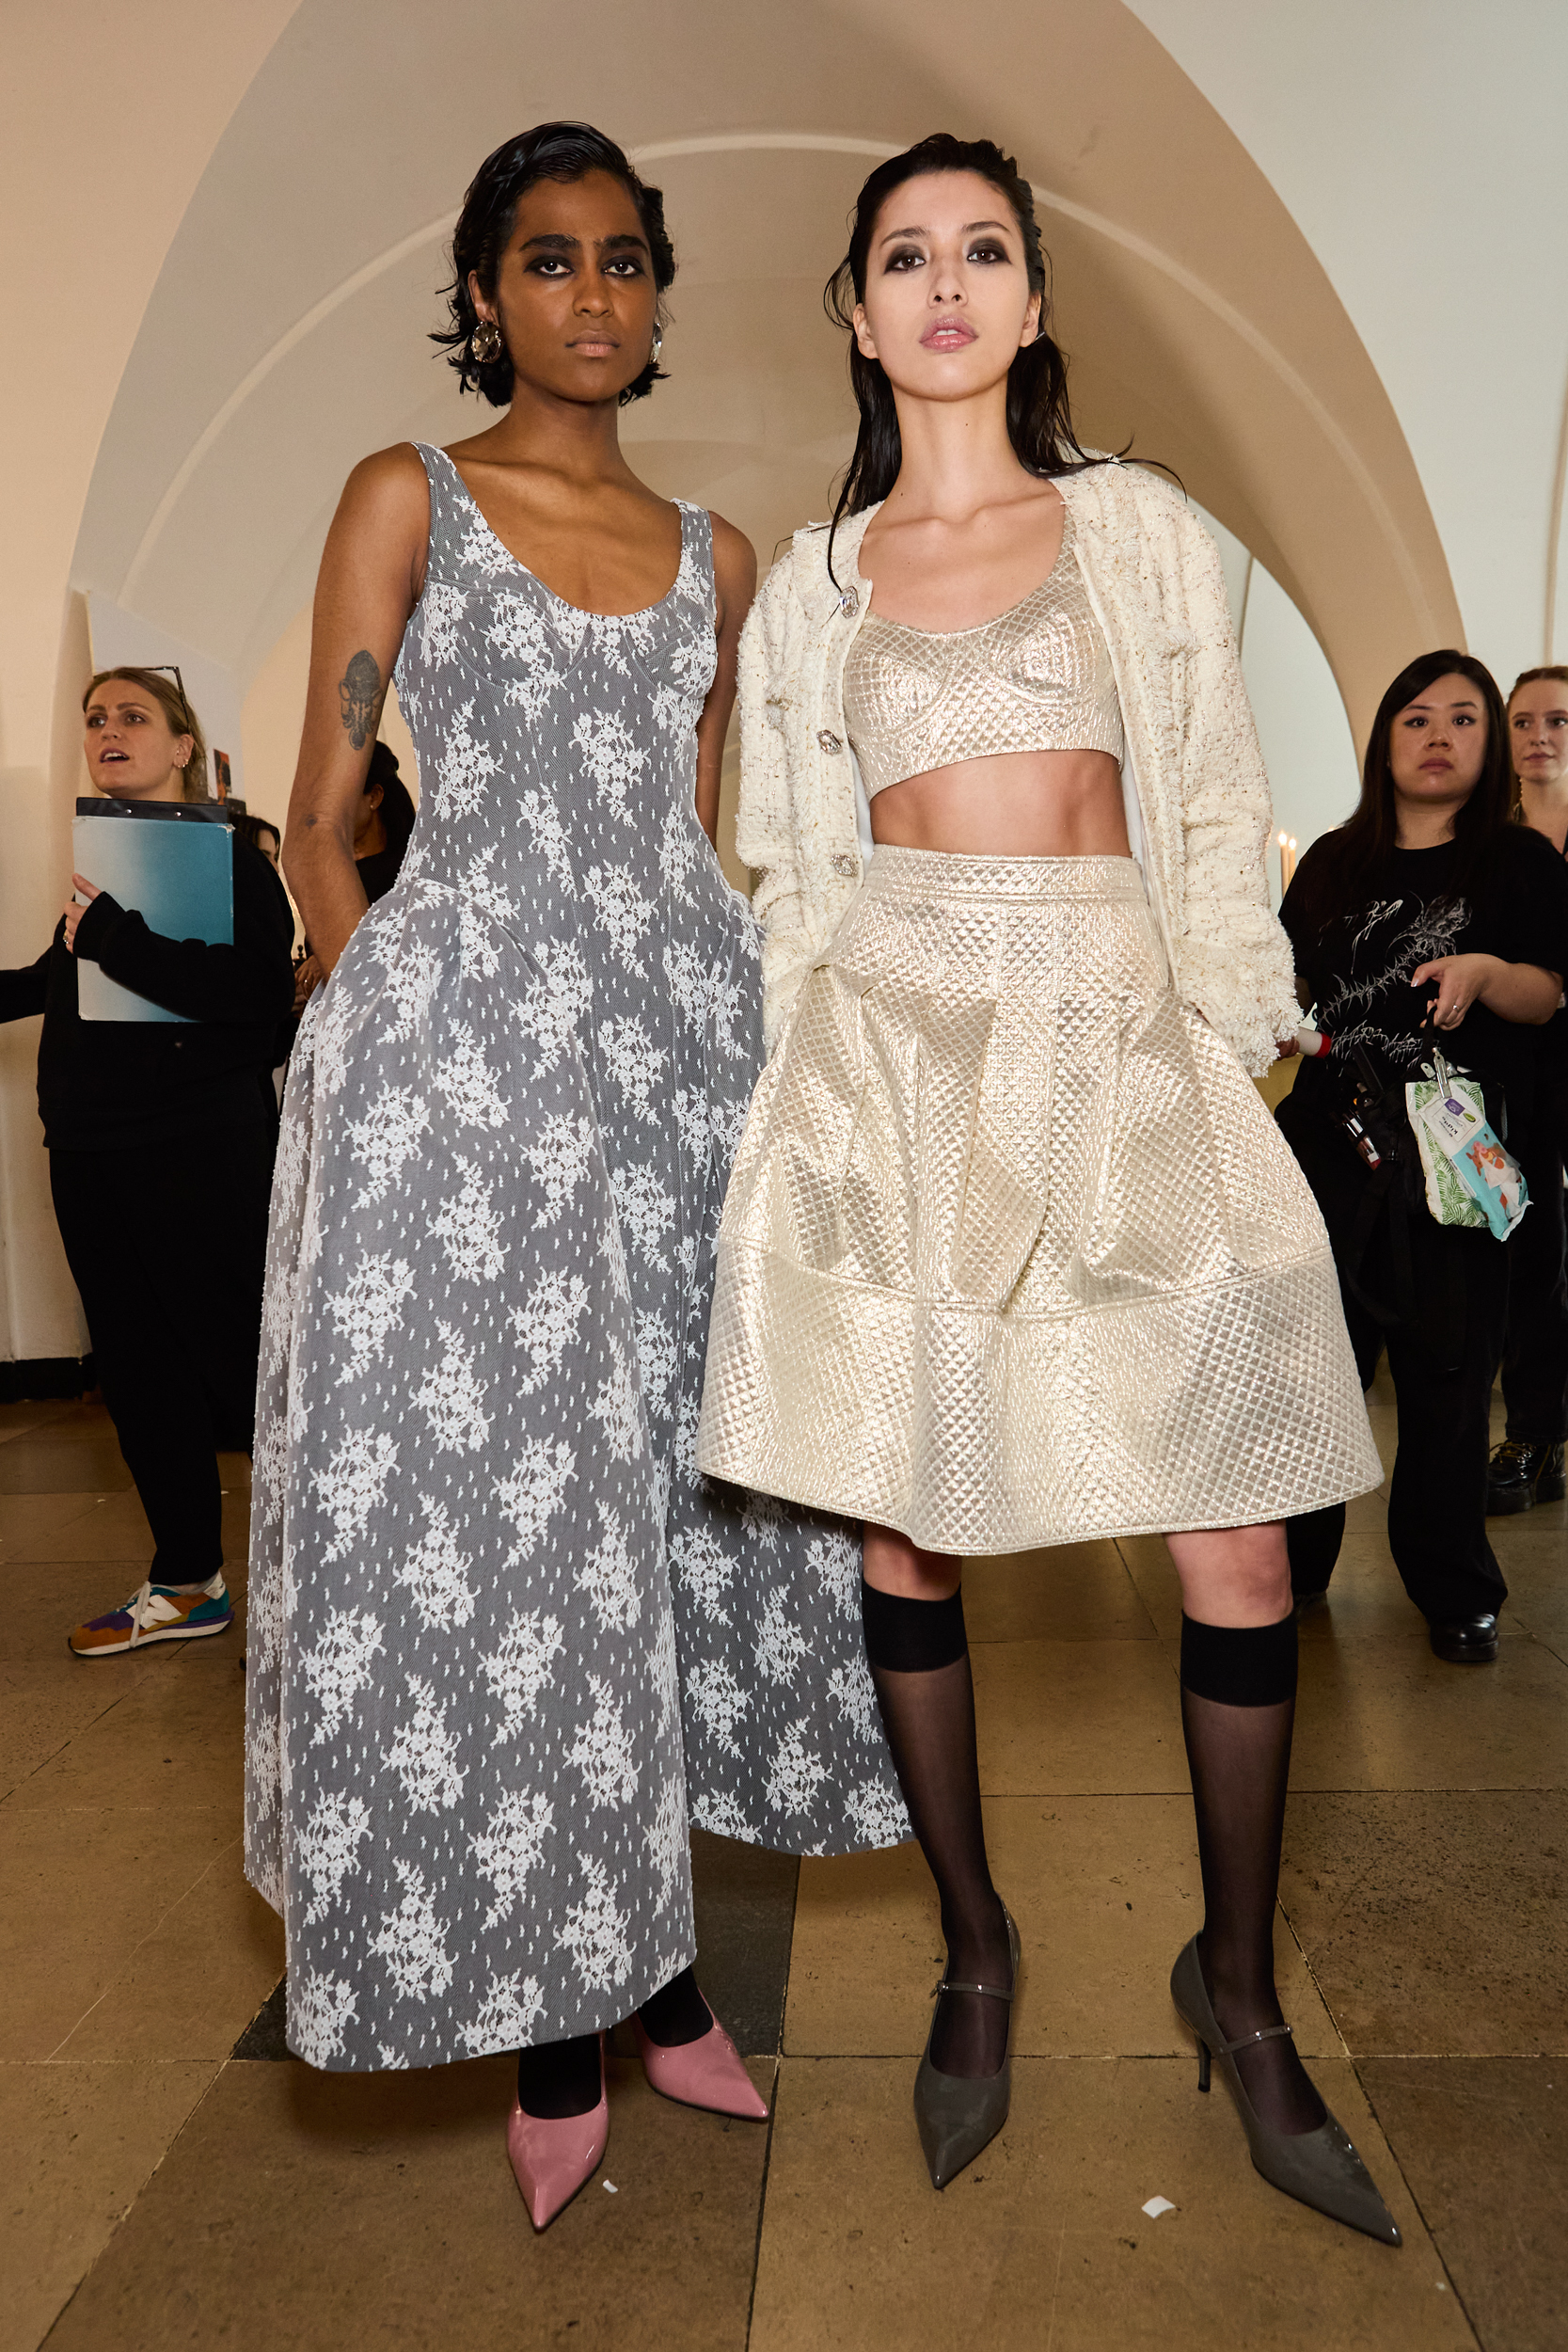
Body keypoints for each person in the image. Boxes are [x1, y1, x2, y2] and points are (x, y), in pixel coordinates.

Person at [696, 135, 1395, 2241]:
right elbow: (797, 882)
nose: (940, 284)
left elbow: (1206, 794)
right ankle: (975, 1947)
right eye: (900, 254)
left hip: (1118, 1029)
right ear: (850, 306)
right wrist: (780, 1130)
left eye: (979, 250)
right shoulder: (815, 583)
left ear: (1026, 302)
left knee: (1241, 1550)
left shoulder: (1135, 527)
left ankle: (1241, 1990)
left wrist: (1233, 1029)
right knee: (909, 1529)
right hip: (894, 1051)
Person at [243, 122, 905, 2233]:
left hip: (675, 1061)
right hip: (462, 1075)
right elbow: (317, 811)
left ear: (654, 288)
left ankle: (671, 1969)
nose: (591, 293)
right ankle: (556, 2023)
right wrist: (382, 1031)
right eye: (547, 260)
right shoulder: (403, 495)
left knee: (670, 1504)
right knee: (514, 1524)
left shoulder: (720, 555)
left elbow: (699, 844)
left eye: (624, 259)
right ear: (484, 290)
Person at [1277, 653, 1568, 1656]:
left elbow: (1549, 995)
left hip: (1456, 1156)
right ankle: (1292, 1570)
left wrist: (1489, 972)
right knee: (1312, 1370)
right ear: (1382, 740)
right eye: (1413, 718)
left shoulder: (1520, 863)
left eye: (1459, 718)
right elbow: (1287, 993)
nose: (1436, 735)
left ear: (1487, 742)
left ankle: (1453, 1590)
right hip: (1330, 1151)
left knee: (1447, 1384)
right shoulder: (1328, 861)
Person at [0, 666, 294, 1652]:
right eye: (94, 719)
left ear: (182, 747)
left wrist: (118, 935)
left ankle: (343, 1576)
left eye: (133, 716)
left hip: (196, 1150)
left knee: (243, 1366)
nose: (108, 730)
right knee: (136, 1372)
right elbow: (56, 984)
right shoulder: (98, 869)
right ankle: (186, 1583)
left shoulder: (230, 858)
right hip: (90, 1152)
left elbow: (257, 998)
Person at [1489, 665, 1568, 1510]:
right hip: (1520, 1062)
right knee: (1529, 1249)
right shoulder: (1492, 840)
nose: (1539, 735)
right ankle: (1536, 1435)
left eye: (1557, 719)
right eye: (1523, 721)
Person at [291, 740, 415, 1010]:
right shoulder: (331, 873)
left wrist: (330, 956)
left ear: (374, 797)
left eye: (338, 793)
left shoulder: (407, 873)